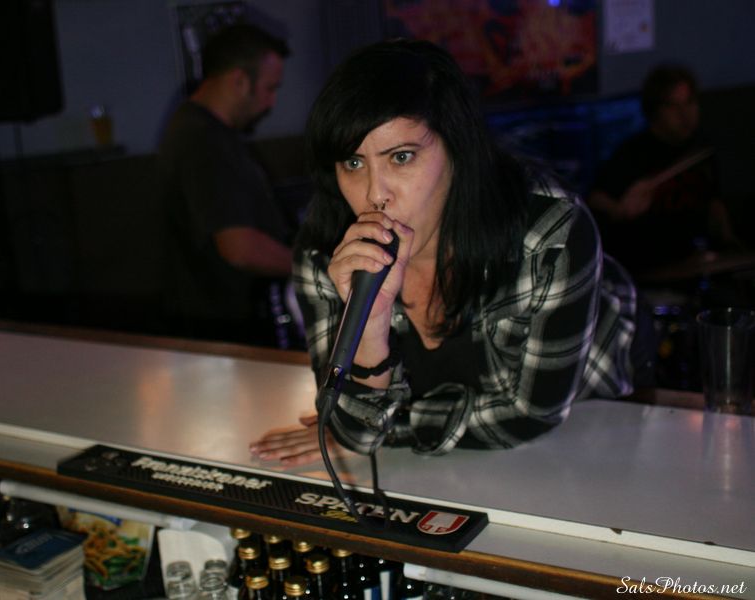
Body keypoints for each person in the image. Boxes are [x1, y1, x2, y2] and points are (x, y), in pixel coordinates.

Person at [249, 39, 639, 465]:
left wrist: (388, 429)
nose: (375, 194)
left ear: (456, 147)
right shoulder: (326, 250)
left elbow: (532, 414)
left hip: (592, 431)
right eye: (354, 164)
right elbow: (354, 432)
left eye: (401, 157)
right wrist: (371, 324)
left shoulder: (549, 233)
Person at [154, 24, 295, 346]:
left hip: (217, 328)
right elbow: (240, 248)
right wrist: (316, 268)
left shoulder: (204, 131)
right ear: (239, 80)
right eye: (269, 88)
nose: (271, 102)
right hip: (221, 332)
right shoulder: (202, 140)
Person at [586, 64, 742, 277]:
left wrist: (728, 236)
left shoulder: (701, 150)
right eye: (673, 106)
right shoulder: (633, 153)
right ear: (654, 112)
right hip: (649, 268)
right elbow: (596, 199)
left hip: (693, 260)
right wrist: (618, 209)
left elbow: (714, 203)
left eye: (690, 102)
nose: (685, 114)